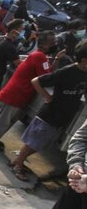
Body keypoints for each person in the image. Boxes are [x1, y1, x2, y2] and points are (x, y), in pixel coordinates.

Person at [10, 41, 87, 181]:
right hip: (50, 114)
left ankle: (18, 161)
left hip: (64, 116)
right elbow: (36, 81)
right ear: (83, 60)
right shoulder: (67, 71)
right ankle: (18, 165)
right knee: (33, 142)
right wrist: (47, 97)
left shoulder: (85, 74)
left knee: (42, 144)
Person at [0, 31, 64, 152]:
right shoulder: (39, 56)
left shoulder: (40, 56)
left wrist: (57, 60)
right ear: (44, 44)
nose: (55, 44)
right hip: (15, 94)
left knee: (7, 122)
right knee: (1, 123)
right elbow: (47, 78)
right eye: (52, 43)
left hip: (20, 95)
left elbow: (48, 72)